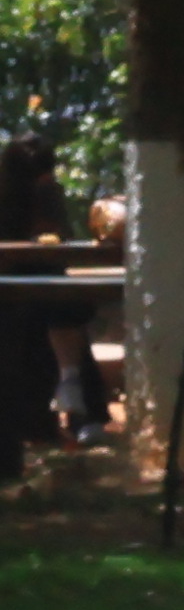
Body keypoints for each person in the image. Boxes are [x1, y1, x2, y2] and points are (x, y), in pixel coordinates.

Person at [0, 136, 90, 449]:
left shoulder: (47, 193)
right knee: (58, 315)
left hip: (41, 282)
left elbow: (61, 239)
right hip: (15, 286)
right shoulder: (15, 196)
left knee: (63, 309)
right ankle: (75, 402)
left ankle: (72, 400)